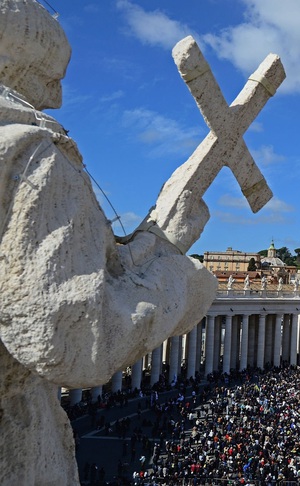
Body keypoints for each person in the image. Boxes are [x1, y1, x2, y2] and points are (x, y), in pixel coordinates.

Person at [0, 2, 230, 483]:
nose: (58, 99)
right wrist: (179, 280)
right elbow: (77, 336)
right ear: (12, 60)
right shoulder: (28, 153)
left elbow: (78, 275)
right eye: (50, 78)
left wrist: (154, 240)